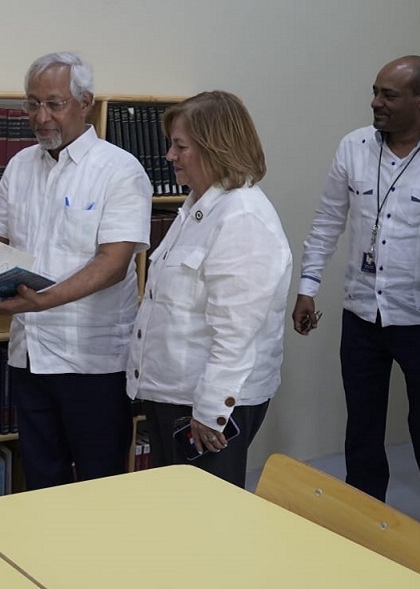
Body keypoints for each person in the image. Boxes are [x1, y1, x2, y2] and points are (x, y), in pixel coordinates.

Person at [0, 52, 152, 490]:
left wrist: (42, 301)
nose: (41, 117)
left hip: (92, 360)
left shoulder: (119, 170)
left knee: (100, 483)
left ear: (85, 103)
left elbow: (113, 265)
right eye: (32, 104)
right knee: (41, 481)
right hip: (30, 353)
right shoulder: (20, 165)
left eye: (54, 104)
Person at [292, 56, 420, 520]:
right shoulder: (353, 147)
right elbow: (327, 222)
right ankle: (363, 523)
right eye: (375, 92)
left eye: (388, 95)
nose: (375, 102)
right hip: (361, 313)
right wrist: (308, 286)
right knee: (362, 427)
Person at [126, 91, 291, 487]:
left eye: (180, 146)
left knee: (205, 512)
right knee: (174, 506)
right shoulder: (197, 208)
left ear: (216, 148)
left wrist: (211, 410)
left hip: (205, 405)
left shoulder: (242, 218)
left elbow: (237, 332)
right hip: (173, 393)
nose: (169, 155)